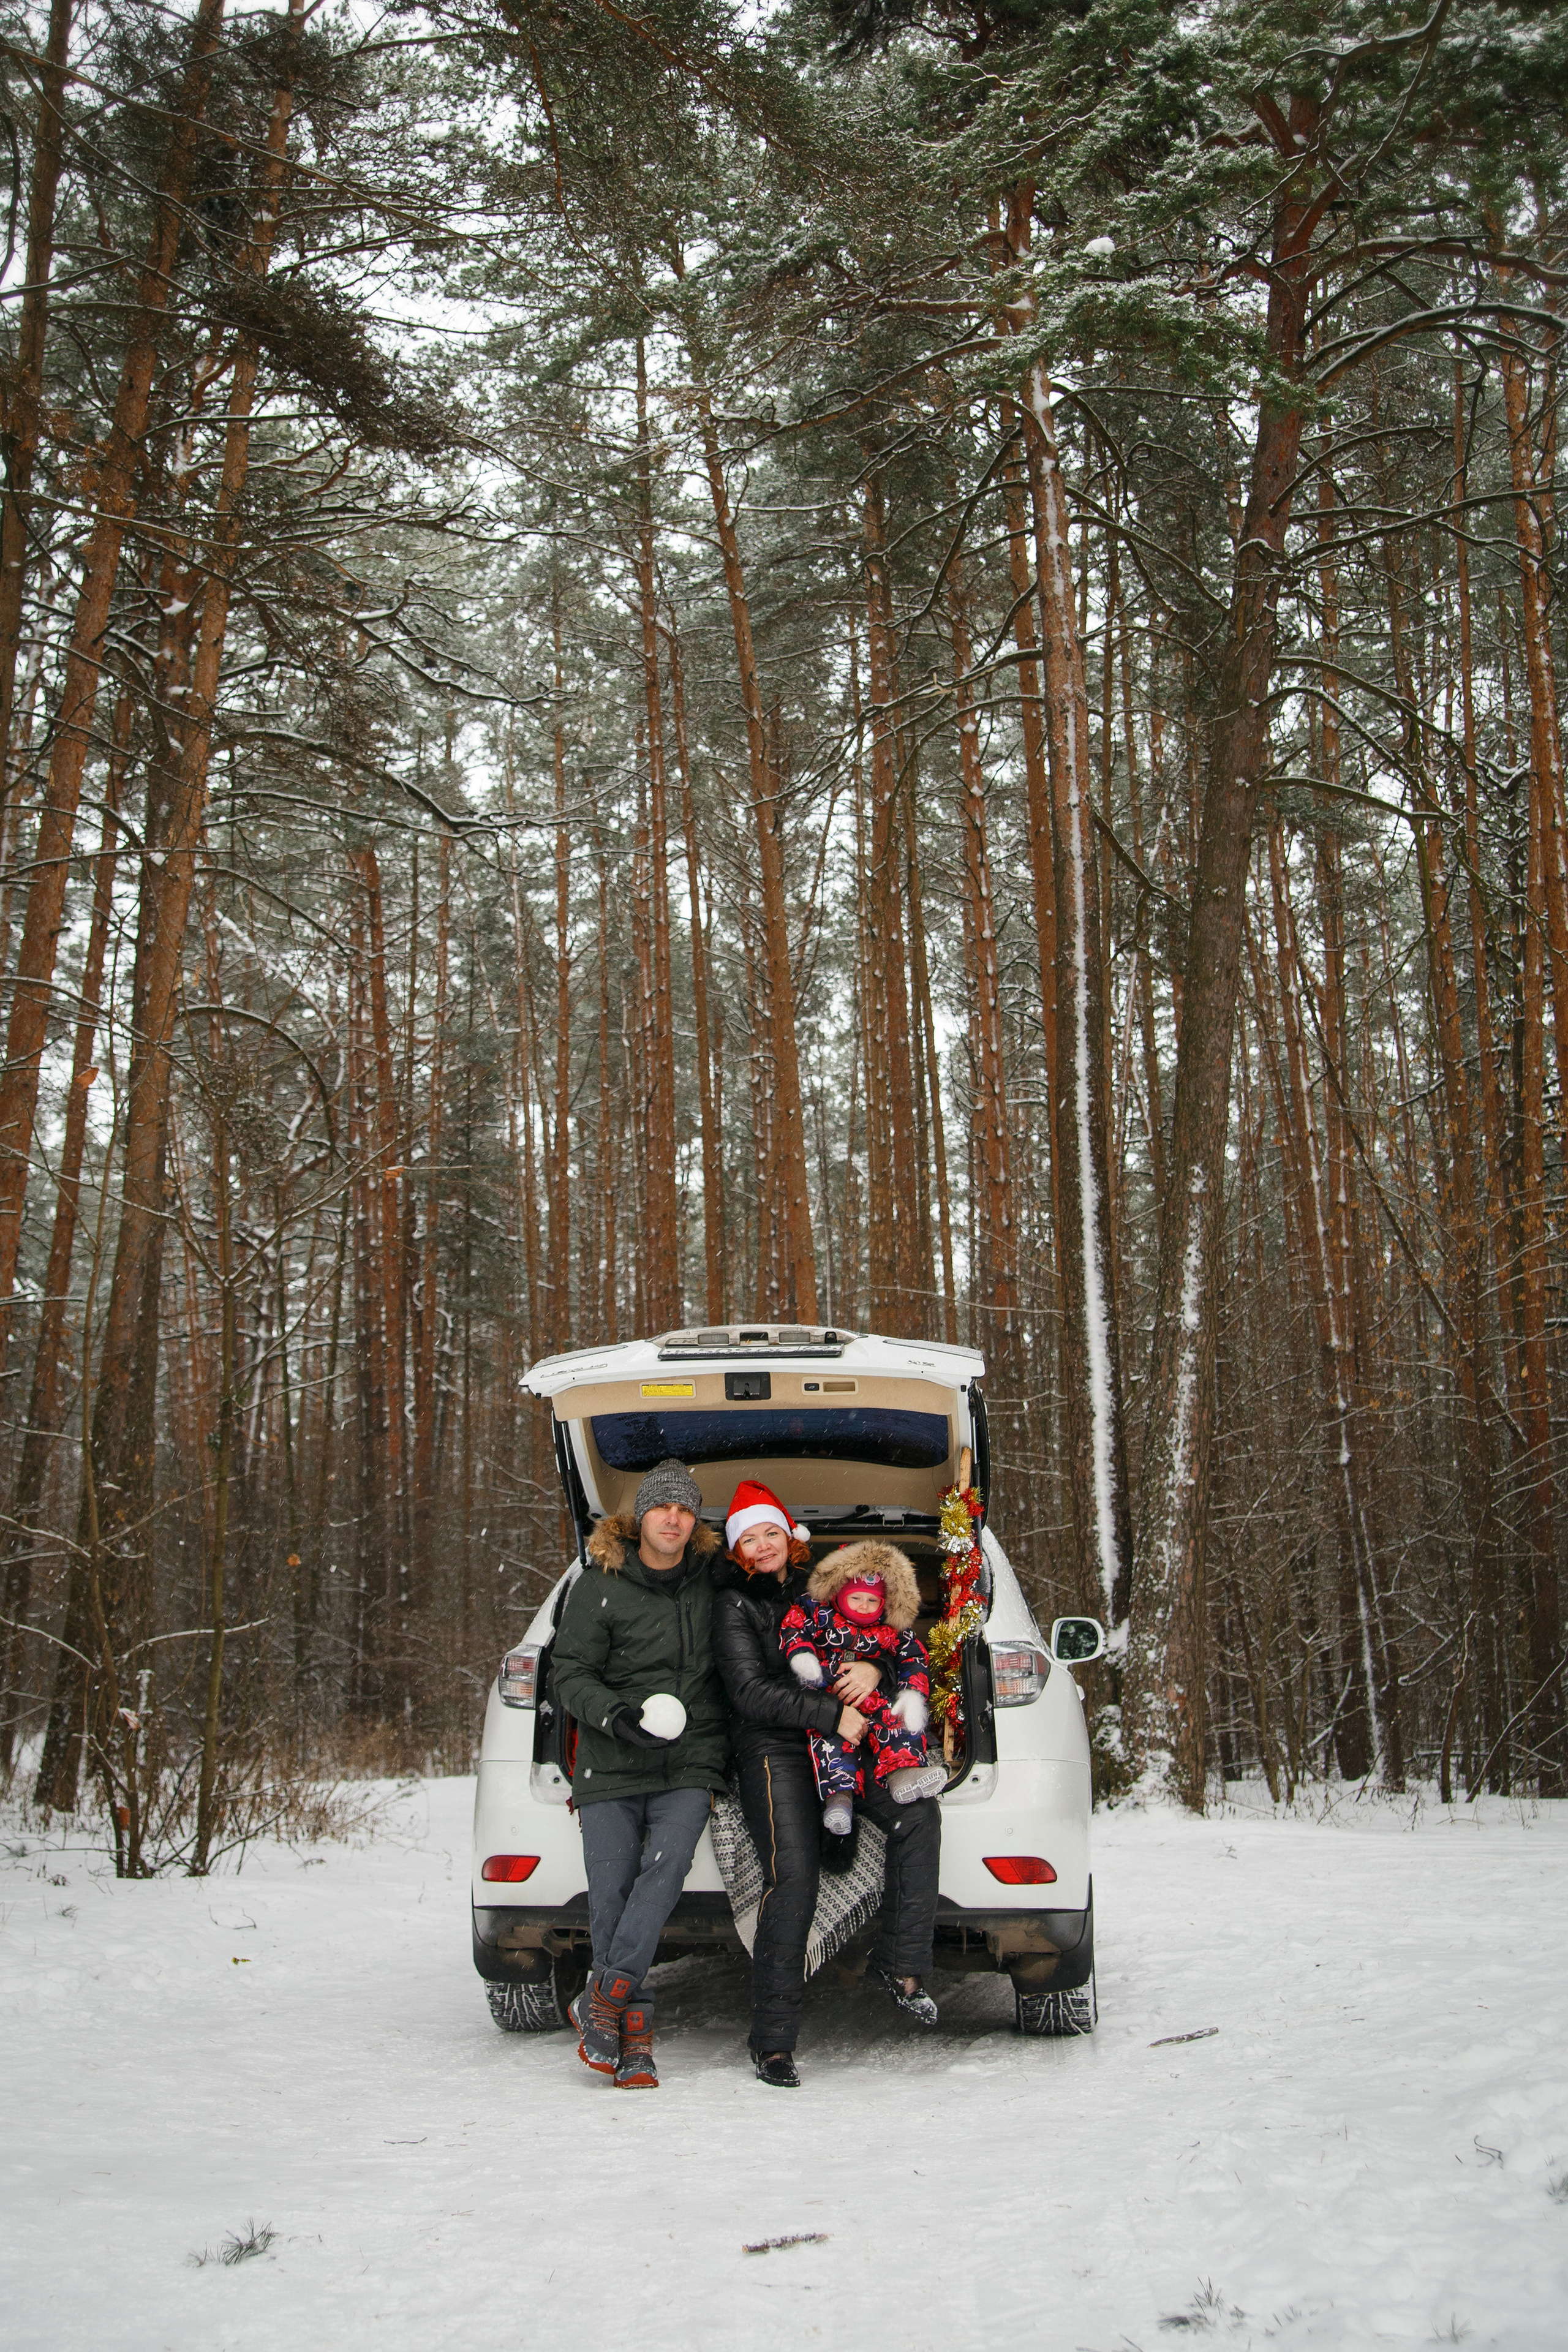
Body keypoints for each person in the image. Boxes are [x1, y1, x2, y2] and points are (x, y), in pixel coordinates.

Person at [711, 1477, 942, 2089]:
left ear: (791, 1537)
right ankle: (773, 2043)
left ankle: (900, 1965)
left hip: (848, 1740)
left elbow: (878, 1633)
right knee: (794, 1876)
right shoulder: (732, 1603)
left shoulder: (822, 1585)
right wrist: (829, 1713)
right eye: (749, 1539)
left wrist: (876, 1668)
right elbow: (749, 1692)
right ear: (736, 1550)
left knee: (917, 1815)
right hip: (773, 1746)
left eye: (772, 1533)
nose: (763, 1546)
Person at [550, 1457, 728, 2090]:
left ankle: (604, 1997)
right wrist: (616, 1717)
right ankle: (633, 2038)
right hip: (611, 1759)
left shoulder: (713, 1580)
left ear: (695, 1521)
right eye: (661, 1507)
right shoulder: (600, 1582)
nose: (672, 1518)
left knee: (666, 1866)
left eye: (684, 1509)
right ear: (641, 1515)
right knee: (611, 1891)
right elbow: (569, 1672)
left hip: (690, 1759)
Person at [780, 1548, 946, 1834]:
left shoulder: (892, 1626)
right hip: (831, 1697)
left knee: (898, 1723)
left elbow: (913, 1657)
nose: (864, 1607)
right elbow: (794, 1628)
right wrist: (803, 1657)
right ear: (839, 1594)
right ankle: (839, 1801)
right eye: (856, 1598)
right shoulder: (819, 1612)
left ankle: (903, 1775)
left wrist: (911, 1693)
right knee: (831, 1743)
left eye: (873, 1601)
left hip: (876, 1699)